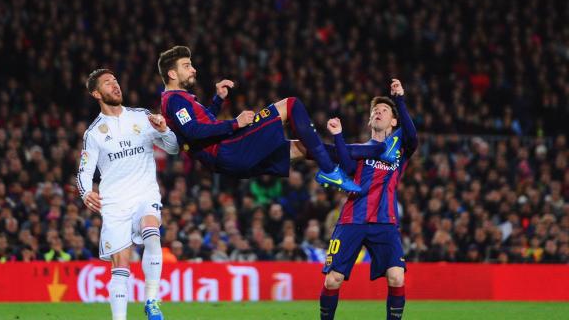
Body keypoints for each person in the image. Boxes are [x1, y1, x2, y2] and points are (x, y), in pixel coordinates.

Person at [157, 45, 367, 193]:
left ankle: (372, 154)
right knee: (291, 104)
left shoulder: (178, 100)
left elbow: (203, 126)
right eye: (186, 65)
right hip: (230, 149)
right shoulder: (175, 100)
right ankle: (331, 171)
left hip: (229, 157)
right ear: (172, 74)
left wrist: (218, 100)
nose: (193, 69)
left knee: (303, 148)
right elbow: (193, 132)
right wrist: (235, 123)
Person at [77, 69, 179, 320]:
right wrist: (85, 192)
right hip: (115, 204)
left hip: (145, 193)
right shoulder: (94, 133)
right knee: (120, 268)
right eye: (107, 83)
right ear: (96, 93)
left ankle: (152, 301)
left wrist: (165, 130)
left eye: (115, 80)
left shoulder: (142, 117)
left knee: (152, 234)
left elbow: (174, 148)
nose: (115, 85)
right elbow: (84, 170)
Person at [320, 79, 417, 320]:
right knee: (333, 280)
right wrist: (338, 136)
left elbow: (412, 135)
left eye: (384, 110)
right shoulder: (361, 150)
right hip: (353, 219)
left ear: (394, 122)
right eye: (375, 110)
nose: (378, 112)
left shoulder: (400, 151)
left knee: (397, 276)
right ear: (369, 121)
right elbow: (345, 163)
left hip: (385, 222)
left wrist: (399, 99)